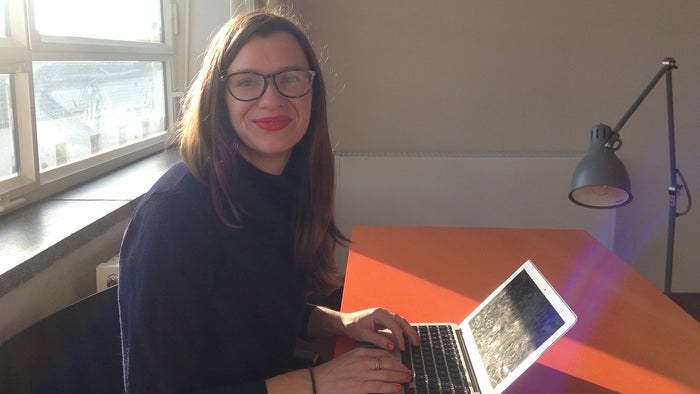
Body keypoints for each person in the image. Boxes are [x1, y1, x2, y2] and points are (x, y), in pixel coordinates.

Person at [118, 8, 420, 394]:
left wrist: (336, 322)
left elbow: (249, 311)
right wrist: (315, 382)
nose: (271, 99)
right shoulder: (174, 215)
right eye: (247, 83)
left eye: (290, 78)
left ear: (313, 92)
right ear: (218, 97)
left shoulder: (283, 183)